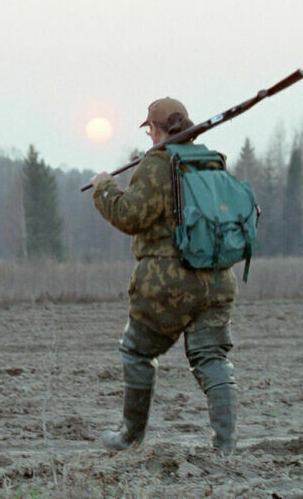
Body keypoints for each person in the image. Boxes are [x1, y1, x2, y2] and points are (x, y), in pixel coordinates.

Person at [90, 98, 239, 454]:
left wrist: (104, 188)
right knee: (212, 360)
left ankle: (130, 438)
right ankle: (226, 447)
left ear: (155, 129)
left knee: (137, 353)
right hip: (217, 279)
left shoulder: (156, 164)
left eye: (149, 129)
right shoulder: (210, 161)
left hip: (167, 284)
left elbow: (130, 216)